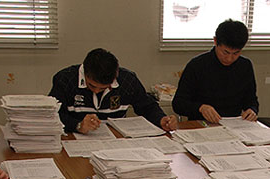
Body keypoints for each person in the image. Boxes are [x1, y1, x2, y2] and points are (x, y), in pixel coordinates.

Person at [49, 48, 178, 135]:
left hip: (117, 140)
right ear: (84, 73)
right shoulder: (65, 79)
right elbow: (52, 114)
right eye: (92, 86)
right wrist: (77, 125)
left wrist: (161, 119)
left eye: (104, 88)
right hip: (74, 140)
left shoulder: (128, 80)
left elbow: (147, 106)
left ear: (115, 76)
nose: (97, 91)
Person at [172, 19, 259, 124]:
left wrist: (252, 110)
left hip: (234, 125)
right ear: (215, 41)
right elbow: (178, 104)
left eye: (236, 53)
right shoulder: (197, 65)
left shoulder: (245, 66)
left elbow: (251, 100)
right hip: (201, 124)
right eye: (225, 52)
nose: (229, 58)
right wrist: (200, 108)